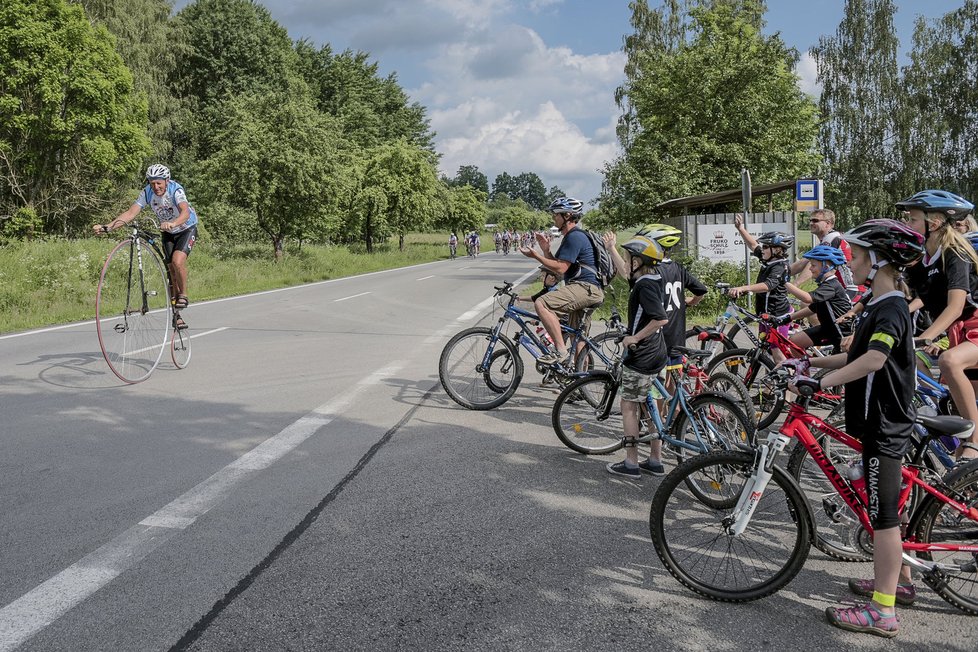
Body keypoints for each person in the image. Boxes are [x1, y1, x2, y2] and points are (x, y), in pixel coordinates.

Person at [790, 219, 925, 638]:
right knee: (884, 511)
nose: (853, 261)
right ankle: (898, 582)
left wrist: (820, 383)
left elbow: (873, 361)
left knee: (883, 517)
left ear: (880, 260)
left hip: (886, 426)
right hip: (875, 421)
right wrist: (808, 363)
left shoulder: (892, 308)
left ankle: (882, 612)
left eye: (860, 255)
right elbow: (854, 355)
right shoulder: (877, 302)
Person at [899, 189, 978, 461]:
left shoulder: (955, 253)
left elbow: (955, 306)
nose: (907, 225)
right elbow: (915, 298)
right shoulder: (922, 260)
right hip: (960, 334)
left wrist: (925, 337)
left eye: (912, 220)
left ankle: (974, 440)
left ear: (932, 224)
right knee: (965, 407)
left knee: (949, 362)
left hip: (975, 328)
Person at [93, 164, 198, 330]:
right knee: (170, 270)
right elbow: (130, 213)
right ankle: (177, 316)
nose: (155, 187)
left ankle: (183, 294)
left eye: (159, 183)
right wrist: (108, 227)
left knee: (177, 262)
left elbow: (185, 212)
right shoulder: (147, 192)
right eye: (152, 183)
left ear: (166, 181)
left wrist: (173, 223)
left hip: (186, 228)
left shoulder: (175, 190)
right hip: (168, 232)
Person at [605, 234, 669, 478]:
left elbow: (660, 317)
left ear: (638, 262)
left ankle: (631, 462)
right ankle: (655, 460)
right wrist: (611, 249)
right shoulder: (652, 277)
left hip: (642, 356)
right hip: (658, 354)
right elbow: (624, 273)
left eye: (629, 258)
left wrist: (634, 338)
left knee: (629, 406)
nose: (626, 261)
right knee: (651, 405)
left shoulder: (644, 285)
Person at [519, 197, 604, 365]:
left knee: (542, 304)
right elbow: (557, 268)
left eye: (556, 214)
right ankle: (582, 381)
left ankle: (559, 350)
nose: (553, 218)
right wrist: (546, 251)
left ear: (567, 216)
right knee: (577, 339)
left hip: (585, 287)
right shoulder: (572, 237)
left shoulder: (574, 237)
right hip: (588, 289)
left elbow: (560, 268)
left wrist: (536, 255)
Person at [729, 215, 793, 348]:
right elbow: (753, 245)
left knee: (778, 354)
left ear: (777, 250)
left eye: (765, 247)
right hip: (765, 315)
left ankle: (790, 369)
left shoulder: (780, 266)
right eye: (763, 247)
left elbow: (767, 285)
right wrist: (740, 228)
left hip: (777, 315)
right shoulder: (768, 259)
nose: (762, 249)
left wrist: (744, 288)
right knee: (764, 349)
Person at [780, 245, 853, 354]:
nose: (810, 268)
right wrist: (788, 318)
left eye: (813, 265)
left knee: (835, 369)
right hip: (827, 329)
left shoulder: (832, 285)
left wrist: (785, 283)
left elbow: (807, 298)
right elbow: (813, 308)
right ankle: (802, 369)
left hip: (841, 334)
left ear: (826, 266)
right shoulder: (825, 285)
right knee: (795, 341)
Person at [792, 208, 858, 299]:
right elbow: (804, 261)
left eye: (815, 220)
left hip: (851, 290)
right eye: (810, 220)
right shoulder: (828, 239)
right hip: (841, 288)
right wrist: (782, 274)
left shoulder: (832, 238)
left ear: (828, 224)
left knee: (807, 303)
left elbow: (815, 264)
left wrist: (794, 285)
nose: (811, 223)